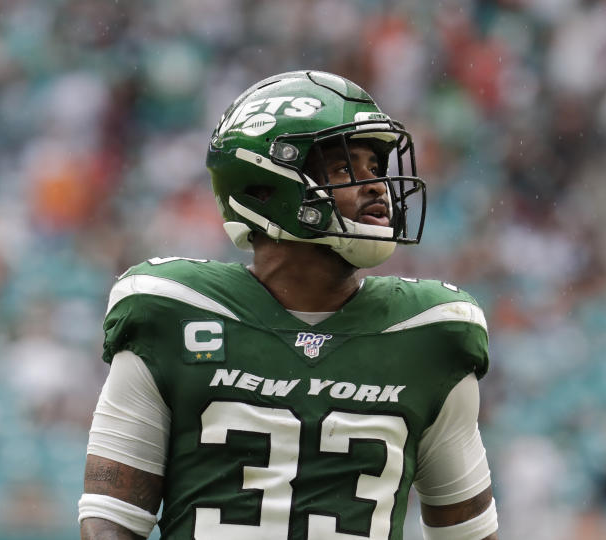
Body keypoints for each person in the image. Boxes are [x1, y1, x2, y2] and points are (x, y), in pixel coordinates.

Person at [78, 70, 498, 540]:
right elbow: (110, 521)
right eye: (345, 169)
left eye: (375, 169)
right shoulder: (172, 312)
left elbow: (469, 535)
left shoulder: (431, 335)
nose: (377, 187)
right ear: (265, 187)